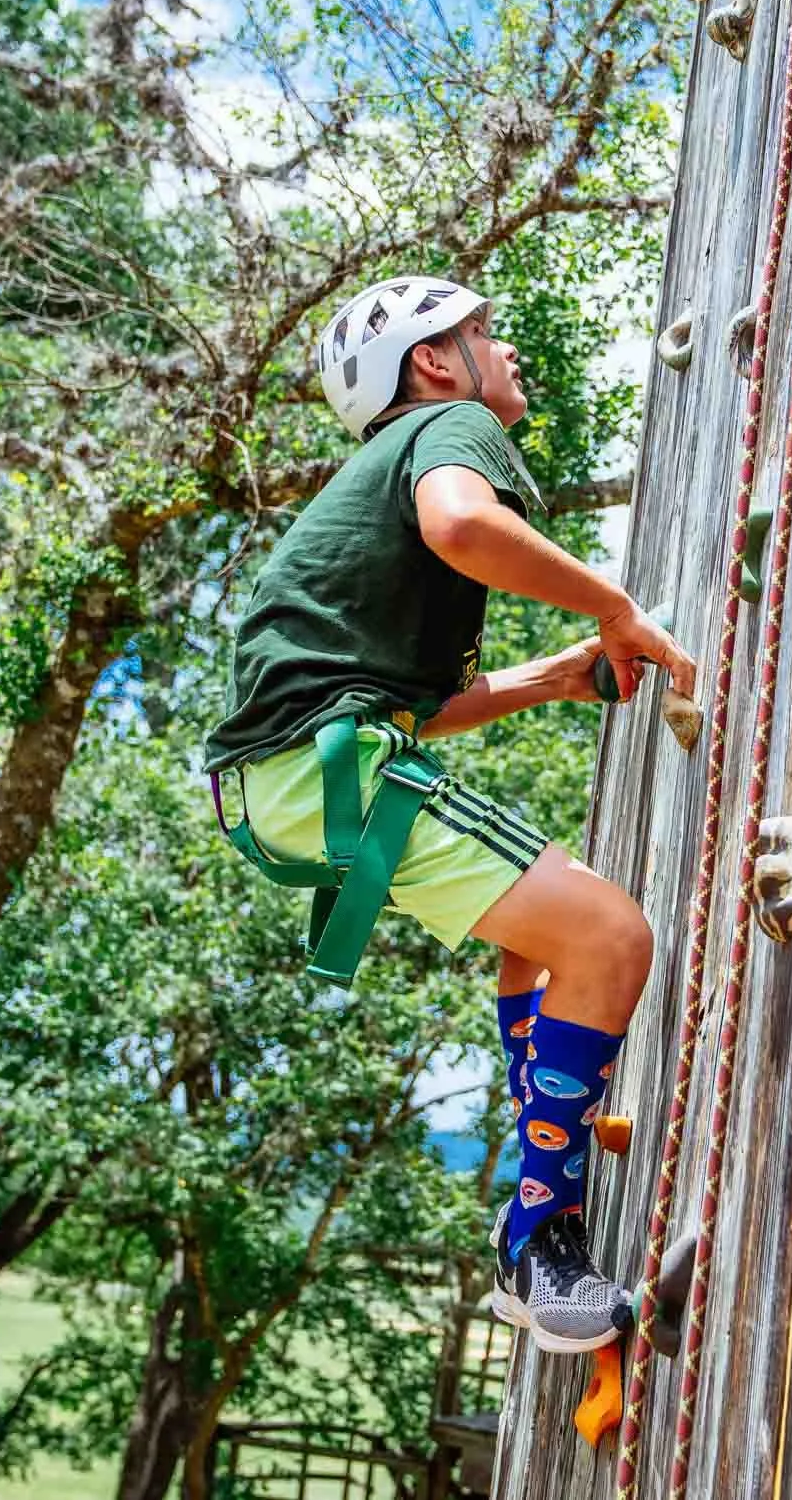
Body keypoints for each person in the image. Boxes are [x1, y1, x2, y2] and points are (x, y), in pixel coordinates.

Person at [203, 274, 697, 1353]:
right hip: (312, 766)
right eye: (480, 330)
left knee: (540, 948)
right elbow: (465, 526)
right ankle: (537, 1241)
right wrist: (614, 607)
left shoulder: (381, 479)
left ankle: (541, 1220)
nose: (502, 345)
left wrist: (551, 678)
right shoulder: (449, 426)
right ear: (433, 364)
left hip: (296, 775)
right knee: (610, 932)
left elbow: (413, 705)